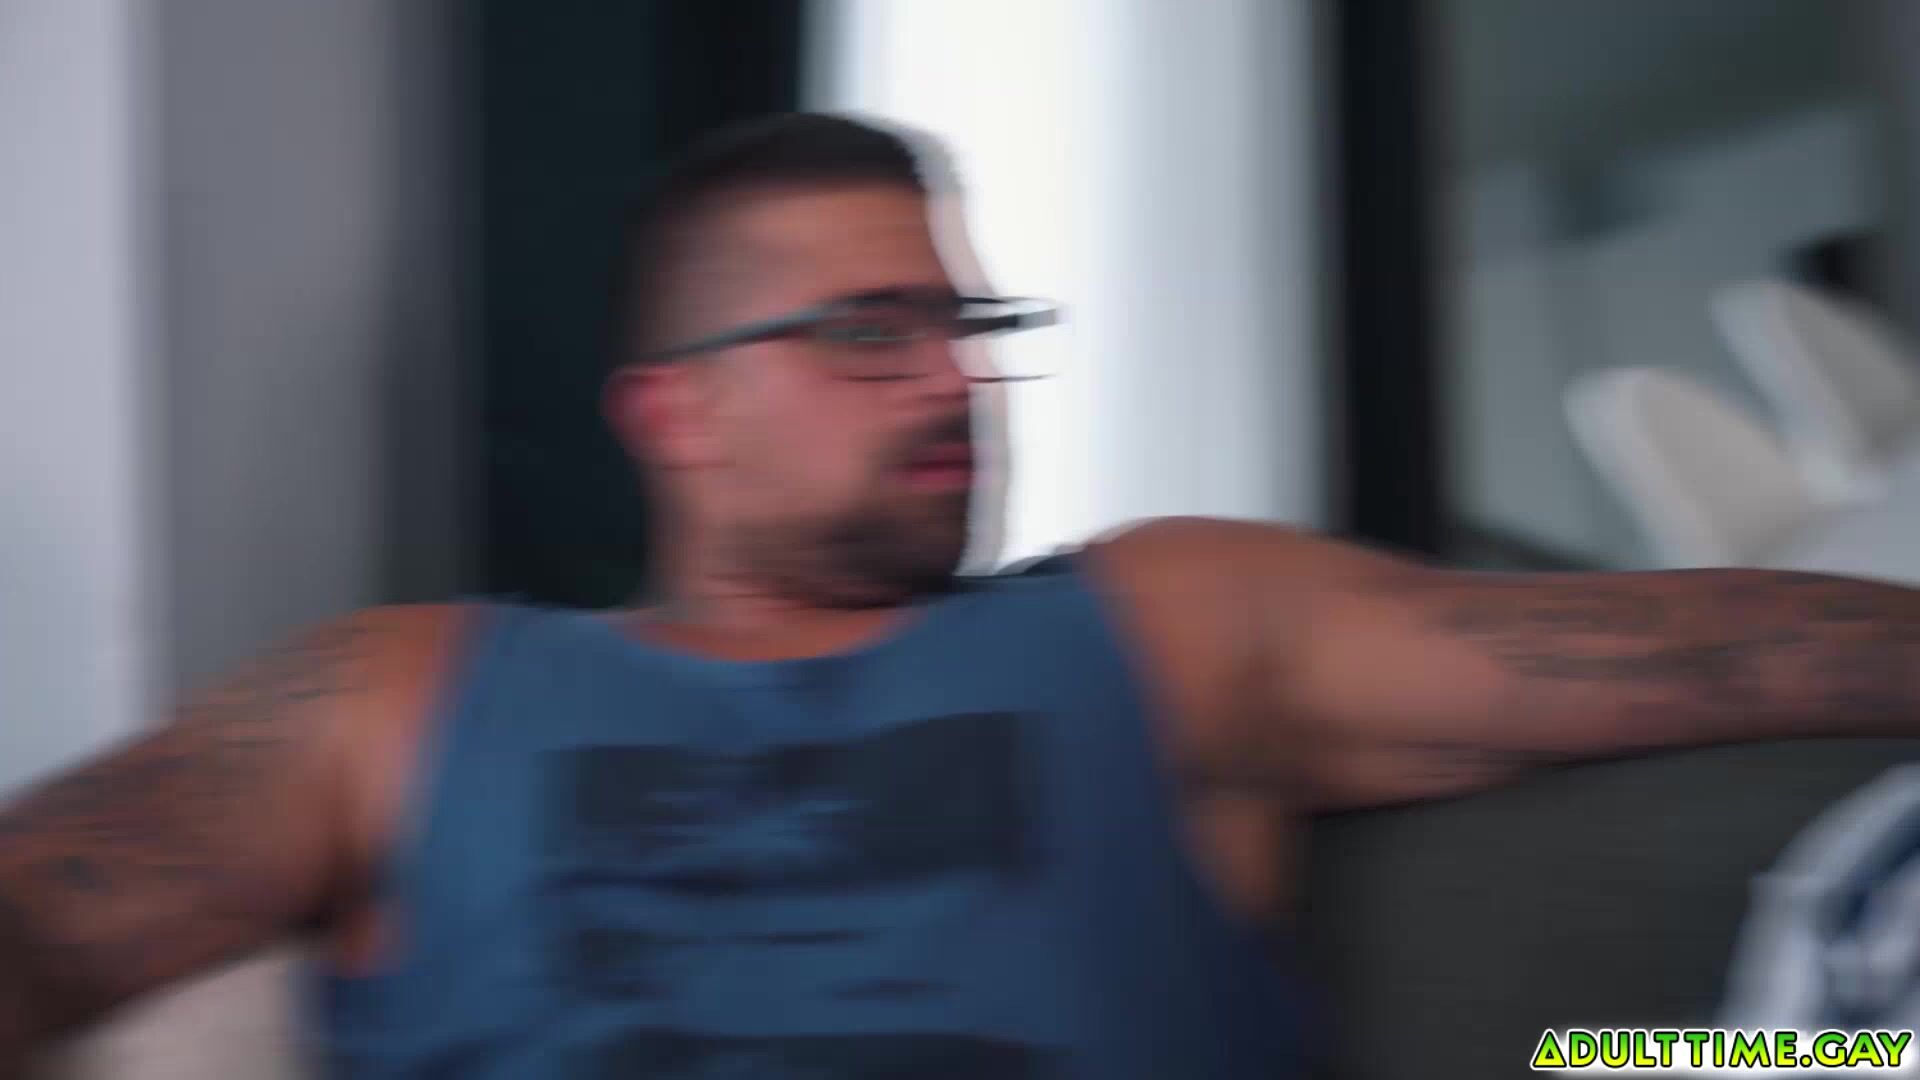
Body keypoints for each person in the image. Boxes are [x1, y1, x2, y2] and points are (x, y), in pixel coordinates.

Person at [3, 112, 1919, 1079]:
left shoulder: (1165, 625)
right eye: (868, 333)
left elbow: (1702, 655)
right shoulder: (399, 697)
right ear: (676, 415)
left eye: (967, 326)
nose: (954, 382)